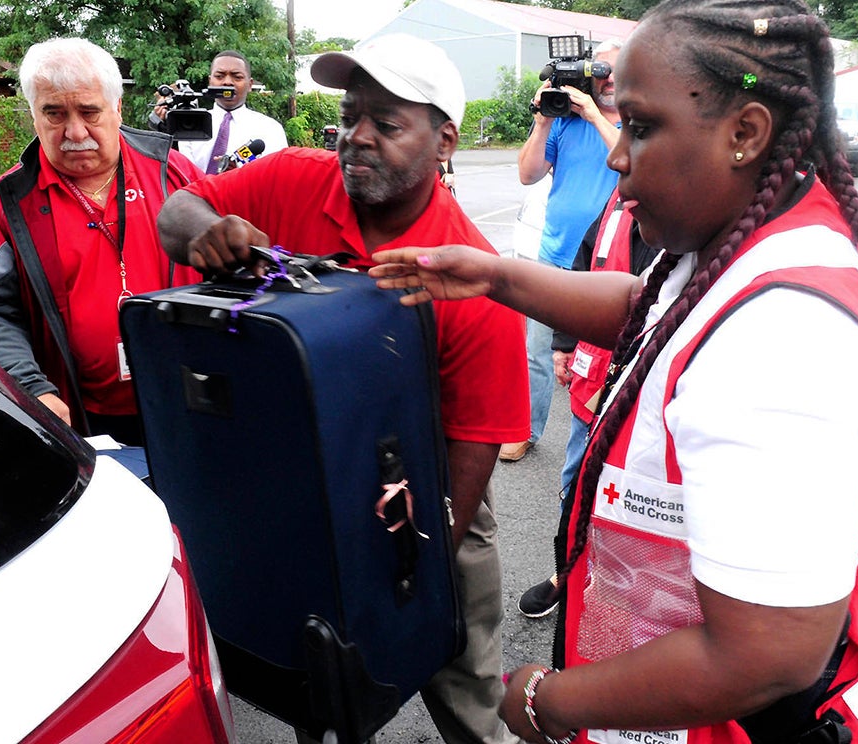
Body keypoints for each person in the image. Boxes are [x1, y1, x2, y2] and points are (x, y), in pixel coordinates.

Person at [369, 2, 858, 742]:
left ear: (745, 133)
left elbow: (766, 655)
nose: (615, 154)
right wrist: (498, 278)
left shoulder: (775, 347)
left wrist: (549, 701)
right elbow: (654, 309)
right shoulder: (766, 232)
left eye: (640, 125)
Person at [157, 33, 530, 744]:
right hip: (295, 473)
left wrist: (408, 577)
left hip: (426, 493)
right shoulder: (294, 177)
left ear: (444, 140)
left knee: (464, 683)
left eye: (387, 124)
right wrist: (206, 228)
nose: (357, 137)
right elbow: (178, 210)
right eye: (351, 115)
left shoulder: (471, 276)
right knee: (316, 680)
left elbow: (473, 448)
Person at [0, 37, 206, 446]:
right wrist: (31, 388)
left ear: (117, 108)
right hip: (78, 419)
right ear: (34, 116)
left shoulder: (172, 173)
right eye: (54, 114)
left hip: (186, 400)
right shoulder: (7, 203)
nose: (75, 131)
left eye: (89, 112)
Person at [517, 189, 659, 619]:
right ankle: (569, 572)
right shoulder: (619, 195)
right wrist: (562, 342)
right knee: (575, 483)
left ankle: (614, 587)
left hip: (641, 389)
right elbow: (585, 260)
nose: (619, 154)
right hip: (592, 380)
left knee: (628, 498)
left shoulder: (685, 205)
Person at [502, 39, 623, 463]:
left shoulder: (639, 125)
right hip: (554, 256)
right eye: (599, 70)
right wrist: (540, 122)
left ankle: (606, 442)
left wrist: (592, 112)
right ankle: (527, 430)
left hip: (609, 263)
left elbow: (632, 161)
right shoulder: (564, 123)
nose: (605, 79)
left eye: (613, 70)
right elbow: (527, 174)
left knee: (608, 355)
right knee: (535, 351)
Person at [173, 51, 288, 174]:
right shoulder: (190, 124)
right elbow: (184, 176)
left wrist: (240, 174)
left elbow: (278, 176)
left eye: (237, 77)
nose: (227, 82)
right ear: (210, 81)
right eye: (219, 76)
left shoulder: (270, 129)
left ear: (250, 85)